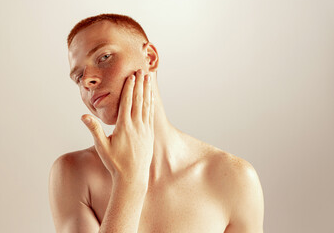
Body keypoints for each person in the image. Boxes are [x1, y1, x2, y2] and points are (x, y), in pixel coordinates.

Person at [48, 13, 264, 233]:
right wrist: (128, 181)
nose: (87, 80)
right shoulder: (72, 174)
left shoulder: (234, 178)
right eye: (78, 76)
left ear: (150, 58)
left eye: (104, 57)